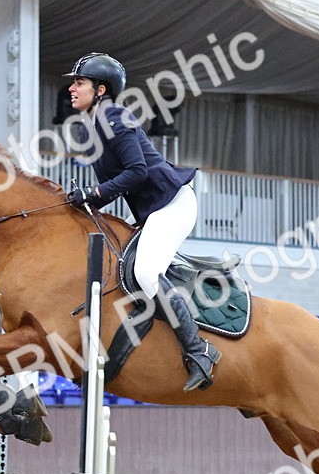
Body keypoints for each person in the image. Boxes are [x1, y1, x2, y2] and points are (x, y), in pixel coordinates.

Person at [61, 52, 220, 392]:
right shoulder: (96, 124)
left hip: (172, 203)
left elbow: (137, 171)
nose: (71, 88)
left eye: (79, 83)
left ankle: (200, 351)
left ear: (100, 90)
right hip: (152, 208)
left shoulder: (113, 116)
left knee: (147, 273)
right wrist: (87, 200)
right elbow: (117, 183)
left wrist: (95, 192)